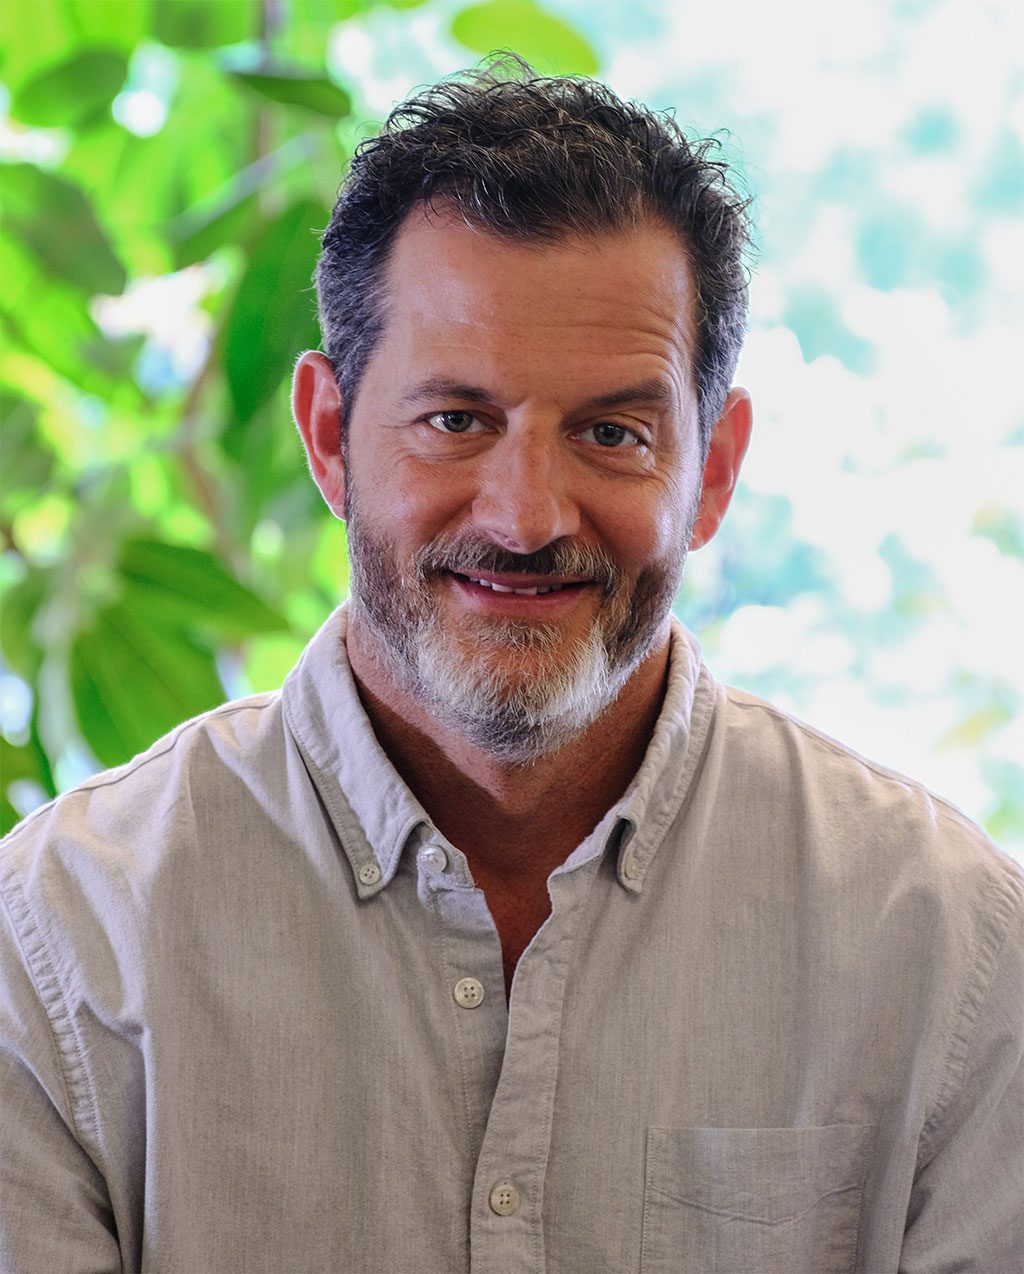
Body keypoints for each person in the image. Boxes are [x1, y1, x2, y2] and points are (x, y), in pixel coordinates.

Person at [1, 62, 1021, 1274]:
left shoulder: (948, 948)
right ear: (331, 437)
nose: (528, 514)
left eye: (610, 432)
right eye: (455, 420)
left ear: (714, 469)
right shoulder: (60, 943)